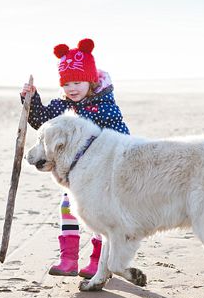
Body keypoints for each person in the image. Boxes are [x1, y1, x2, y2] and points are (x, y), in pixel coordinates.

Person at [20, 38, 129, 278]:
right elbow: (42, 123)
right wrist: (32, 99)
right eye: (67, 83)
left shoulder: (105, 106)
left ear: (90, 80)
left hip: (102, 175)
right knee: (68, 209)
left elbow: (121, 139)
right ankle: (68, 259)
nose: (72, 88)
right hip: (74, 174)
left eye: (77, 82)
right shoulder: (64, 103)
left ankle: (98, 262)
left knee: (97, 216)